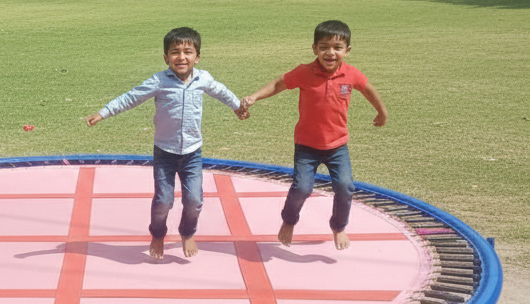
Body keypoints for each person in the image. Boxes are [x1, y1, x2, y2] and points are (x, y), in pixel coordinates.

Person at [86, 27, 249, 260]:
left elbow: (221, 92)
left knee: (195, 200)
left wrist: (237, 107)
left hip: (192, 153)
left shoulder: (203, 78)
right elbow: (131, 97)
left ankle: (187, 232)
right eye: (175, 52)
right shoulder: (159, 81)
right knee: (163, 201)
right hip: (164, 152)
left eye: (187, 52)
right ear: (166, 57)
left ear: (197, 56)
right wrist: (103, 113)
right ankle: (158, 234)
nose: (181, 57)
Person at [241, 19, 387, 250]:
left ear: (347, 51)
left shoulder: (351, 75)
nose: (330, 53)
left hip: (337, 146)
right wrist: (254, 97)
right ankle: (289, 221)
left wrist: (381, 111)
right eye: (324, 47)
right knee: (302, 188)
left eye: (337, 48)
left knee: (345, 187)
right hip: (307, 146)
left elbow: (368, 89)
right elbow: (279, 84)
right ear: (314, 49)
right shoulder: (304, 72)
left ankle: (338, 226)